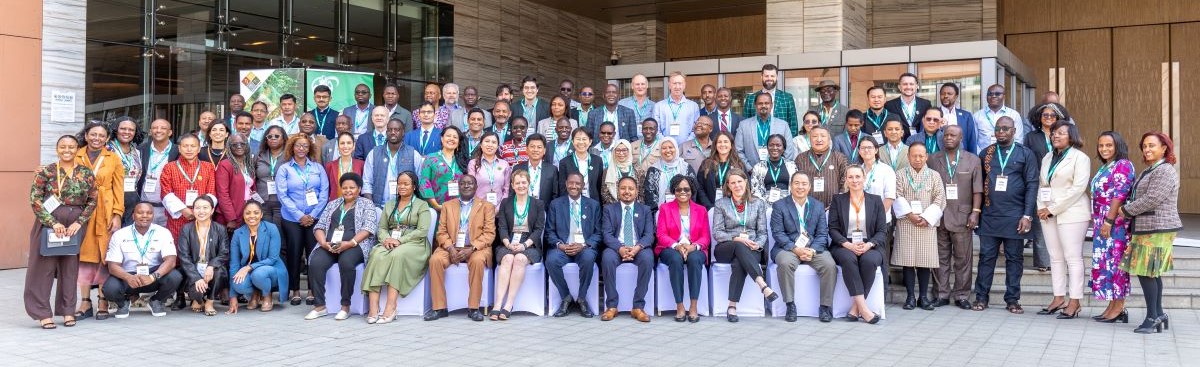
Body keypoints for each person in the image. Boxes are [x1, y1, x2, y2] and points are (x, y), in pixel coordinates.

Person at [26, 135, 96, 329]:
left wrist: (80, 222)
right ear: (57, 149)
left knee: (69, 268)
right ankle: (42, 313)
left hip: (74, 225)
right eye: (63, 147)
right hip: (49, 224)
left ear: (77, 149)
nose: (67, 150)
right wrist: (52, 223)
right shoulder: (46, 172)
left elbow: (92, 200)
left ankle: (67, 311)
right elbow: (35, 200)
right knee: (43, 268)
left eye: (72, 147)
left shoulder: (86, 172)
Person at [972, 117, 1039, 314]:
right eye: (998, 128)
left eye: (1005, 128)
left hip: (1015, 216)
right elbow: (978, 185)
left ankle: (1012, 299)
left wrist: (1027, 215)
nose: (1001, 131)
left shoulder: (1025, 154)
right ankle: (981, 297)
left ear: (1014, 131)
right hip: (990, 216)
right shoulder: (986, 153)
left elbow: (1032, 184)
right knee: (986, 258)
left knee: (1014, 259)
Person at [1118, 132, 1181, 334]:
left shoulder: (1164, 171)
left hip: (1156, 228)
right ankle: (1159, 314)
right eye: (1144, 146)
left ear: (1164, 148)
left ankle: (1152, 317)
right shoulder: (1152, 169)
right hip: (1148, 227)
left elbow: (1152, 198)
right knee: (1151, 273)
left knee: (1146, 272)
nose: (1147, 149)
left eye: (1152, 145)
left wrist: (1126, 210)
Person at [1035, 121, 1092, 319]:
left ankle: (1074, 302)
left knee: (1072, 257)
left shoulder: (1080, 158)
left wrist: (1051, 208)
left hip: (1072, 212)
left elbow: (1077, 189)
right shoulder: (1047, 157)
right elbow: (1042, 184)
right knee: (1055, 257)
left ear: (1072, 136)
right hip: (1047, 212)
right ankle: (1058, 298)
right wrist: (1041, 208)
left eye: (1061, 133)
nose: (1056, 136)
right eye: (1054, 133)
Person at [307, 172, 378, 321]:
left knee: (346, 263)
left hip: (354, 245)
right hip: (330, 245)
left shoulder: (367, 204)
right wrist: (323, 243)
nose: (348, 191)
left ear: (359, 189)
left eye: (352, 187)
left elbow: (369, 228)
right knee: (315, 262)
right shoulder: (333, 204)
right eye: (344, 188)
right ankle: (320, 306)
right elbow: (319, 227)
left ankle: (345, 306)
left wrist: (350, 243)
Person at [424, 174, 494, 322]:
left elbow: (489, 234)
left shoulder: (487, 207)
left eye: (470, 184)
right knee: (435, 260)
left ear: (476, 187)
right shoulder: (448, 206)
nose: (466, 186)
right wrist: (450, 249)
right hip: (451, 247)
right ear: (458, 186)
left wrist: (472, 248)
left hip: (476, 248)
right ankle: (439, 308)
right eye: (463, 183)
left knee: (477, 261)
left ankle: (473, 308)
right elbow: (441, 232)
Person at [927, 125, 983, 309]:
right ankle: (941, 294)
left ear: (961, 138)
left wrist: (975, 212)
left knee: (963, 259)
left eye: (953, 135)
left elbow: (977, 190)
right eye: (946, 134)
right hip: (939, 216)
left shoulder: (973, 160)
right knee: (940, 258)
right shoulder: (933, 159)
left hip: (963, 216)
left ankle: (961, 295)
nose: (948, 138)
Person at [364, 171, 431, 324]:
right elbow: (381, 228)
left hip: (414, 243)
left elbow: (422, 231)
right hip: (390, 240)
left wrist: (400, 240)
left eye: (406, 184)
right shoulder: (389, 204)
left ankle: (391, 306)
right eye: (399, 183)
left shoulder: (422, 205)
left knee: (397, 254)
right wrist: (385, 239)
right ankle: (373, 307)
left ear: (414, 186)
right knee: (376, 253)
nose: (401, 187)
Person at [771, 172, 838, 322]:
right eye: (796, 183)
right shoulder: (779, 205)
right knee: (785, 263)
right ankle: (790, 305)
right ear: (790, 186)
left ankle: (825, 307)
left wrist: (812, 250)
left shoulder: (818, 206)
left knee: (829, 265)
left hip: (813, 248)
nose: (800, 187)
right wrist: (795, 249)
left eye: (804, 184)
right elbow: (778, 233)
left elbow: (822, 233)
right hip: (787, 248)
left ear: (809, 187)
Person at [712, 170, 777, 322]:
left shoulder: (758, 203)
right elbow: (717, 232)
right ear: (728, 185)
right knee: (739, 246)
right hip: (726, 247)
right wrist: (736, 238)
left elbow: (762, 232)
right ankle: (762, 284)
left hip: (752, 247)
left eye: (739, 181)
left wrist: (757, 244)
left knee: (739, 261)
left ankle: (732, 306)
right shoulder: (721, 204)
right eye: (733, 182)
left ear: (746, 182)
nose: (737, 185)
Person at [76, 122, 126, 321]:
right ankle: (85, 301)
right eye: (93, 134)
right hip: (80, 212)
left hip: (105, 212)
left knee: (104, 256)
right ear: (86, 135)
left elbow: (118, 189)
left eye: (101, 135)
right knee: (83, 257)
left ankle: (103, 300)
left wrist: (117, 215)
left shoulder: (113, 158)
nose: (97, 138)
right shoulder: (76, 154)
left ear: (107, 139)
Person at [102, 202, 183, 318]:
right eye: (140, 213)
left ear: (153, 216)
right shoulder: (120, 235)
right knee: (110, 288)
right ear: (133, 215)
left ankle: (156, 301)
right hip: (129, 276)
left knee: (175, 276)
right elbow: (112, 266)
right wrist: (128, 277)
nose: (145, 216)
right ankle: (122, 303)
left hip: (153, 275)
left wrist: (152, 277)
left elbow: (171, 261)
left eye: (149, 213)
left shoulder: (163, 232)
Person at [892, 142, 947, 311]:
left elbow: (940, 198)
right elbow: (897, 195)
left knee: (925, 262)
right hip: (906, 223)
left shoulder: (934, 175)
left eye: (921, 156)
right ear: (908, 156)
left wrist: (926, 218)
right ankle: (910, 297)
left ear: (926, 157)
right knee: (907, 262)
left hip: (926, 224)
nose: (917, 159)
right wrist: (910, 214)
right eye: (914, 155)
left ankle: (923, 297)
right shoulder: (900, 174)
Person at [276, 134, 330, 306]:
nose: (301, 149)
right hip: (292, 218)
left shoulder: (317, 168)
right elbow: (282, 195)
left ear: (310, 148)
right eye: (298, 146)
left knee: (313, 254)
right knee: (294, 253)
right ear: (292, 147)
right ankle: (296, 290)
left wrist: (312, 215)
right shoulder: (285, 169)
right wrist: (300, 215)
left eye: (305, 146)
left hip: (315, 217)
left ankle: (313, 291)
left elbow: (324, 193)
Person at [828, 166, 886, 324]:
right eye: (851, 177)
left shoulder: (876, 200)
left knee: (870, 261)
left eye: (858, 177)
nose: (854, 180)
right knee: (848, 259)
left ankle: (855, 308)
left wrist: (869, 245)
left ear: (864, 178)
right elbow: (832, 229)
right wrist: (848, 245)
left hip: (870, 244)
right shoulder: (838, 200)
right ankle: (865, 310)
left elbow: (882, 230)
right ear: (846, 179)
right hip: (844, 244)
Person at [1090, 131, 1134, 322]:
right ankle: (1112, 305)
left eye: (1109, 145)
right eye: (1101, 145)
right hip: (1102, 223)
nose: (1104, 149)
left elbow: (1119, 195)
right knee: (1107, 265)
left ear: (1118, 146)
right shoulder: (1106, 166)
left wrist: (1108, 220)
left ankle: (1119, 307)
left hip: (1115, 225)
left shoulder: (1123, 165)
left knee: (1117, 266)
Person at [598, 176, 655, 322]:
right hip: (617, 248)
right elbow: (607, 234)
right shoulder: (609, 209)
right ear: (618, 191)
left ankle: (638, 306)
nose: (627, 191)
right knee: (607, 257)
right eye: (623, 188)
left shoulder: (645, 210)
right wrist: (620, 248)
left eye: (631, 188)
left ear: (637, 192)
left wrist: (636, 248)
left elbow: (649, 234)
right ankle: (612, 306)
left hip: (639, 248)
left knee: (648, 258)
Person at [491, 170, 545, 321]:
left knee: (520, 259)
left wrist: (524, 245)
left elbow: (539, 229)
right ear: (512, 185)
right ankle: (497, 303)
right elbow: (501, 226)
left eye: (524, 182)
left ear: (529, 184)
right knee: (508, 259)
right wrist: (507, 242)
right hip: (507, 242)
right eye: (517, 183)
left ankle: (509, 304)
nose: (521, 186)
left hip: (530, 244)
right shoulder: (506, 202)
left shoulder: (538, 204)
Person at [546, 173, 601, 318]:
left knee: (589, 258)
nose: (574, 186)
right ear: (566, 184)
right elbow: (549, 232)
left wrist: (584, 245)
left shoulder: (593, 205)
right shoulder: (556, 204)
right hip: (563, 247)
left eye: (577, 183)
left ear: (583, 186)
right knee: (551, 261)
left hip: (583, 248)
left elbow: (598, 233)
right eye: (571, 183)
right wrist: (560, 245)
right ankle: (566, 297)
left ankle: (582, 298)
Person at [655, 175, 709, 323]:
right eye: (678, 189)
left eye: (686, 189)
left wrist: (693, 247)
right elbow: (661, 234)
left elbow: (705, 237)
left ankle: (693, 306)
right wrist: (677, 246)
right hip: (671, 247)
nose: (682, 192)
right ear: (673, 191)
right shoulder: (665, 208)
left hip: (694, 247)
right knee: (675, 259)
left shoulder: (701, 210)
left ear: (692, 191)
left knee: (695, 259)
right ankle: (679, 306)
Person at [227, 201, 287, 313]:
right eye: (248, 213)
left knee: (259, 274)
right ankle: (255, 293)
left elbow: (272, 258)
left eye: (256, 213)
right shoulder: (238, 233)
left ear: (261, 215)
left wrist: (248, 267)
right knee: (237, 283)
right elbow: (234, 264)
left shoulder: (271, 228)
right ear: (243, 215)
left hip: (271, 269)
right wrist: (233, 296)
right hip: (250, 273)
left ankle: (267, 295)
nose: (252, 216)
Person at [175, 196, 228, 316]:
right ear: (193, 210)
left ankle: (209, 302)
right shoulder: (186, 229)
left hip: (211, 270)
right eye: (197, 208)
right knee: (194, 289)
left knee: (220, 271)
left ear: (212, 210)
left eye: (205, 208)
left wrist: (211, 265)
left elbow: (224, 253)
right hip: (194, 268)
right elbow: (184, 256)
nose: (201, 211)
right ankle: (197, 299)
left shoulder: (220, 229)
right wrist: (196, 277)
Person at [159, 134, 218, 241]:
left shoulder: (208, 167)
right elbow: (165, 192)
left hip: (202, 216)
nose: (189, 149)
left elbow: (211, 192)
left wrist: (201, 210)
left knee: (200, 247)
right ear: (179, 148)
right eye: (185, 146)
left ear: (199, 148)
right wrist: (183, 210)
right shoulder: (169, 167)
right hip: (178, 217)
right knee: (177, 246)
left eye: (193, 146)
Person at [363, 121, 416, 208]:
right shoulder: (374, 153)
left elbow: (420, 182)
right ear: (386, 132)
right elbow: (367, 183)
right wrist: (371, 207)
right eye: (390, 130)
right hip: (378, 207)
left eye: (397, 130)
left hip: (406, 208)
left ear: (403, 133)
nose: (393, 132)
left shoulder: (413, 153)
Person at [737, 92, 798, 168]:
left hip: (777, 173)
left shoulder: (783, 125)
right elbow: (738, 150)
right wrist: (749, 169)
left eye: (766, 103)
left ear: (771, 105)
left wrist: (778, 168)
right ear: (755, 105)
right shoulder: (743, 125)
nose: (763, 106)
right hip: (751, 172)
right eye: (760, 103)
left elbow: (789, 151)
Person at [137, 119, 177, 227]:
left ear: (170, 132)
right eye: (155, 128)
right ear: (150, 131)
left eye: (163, 128)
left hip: (168, 209)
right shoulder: (140, 150)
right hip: (145, 208)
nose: (158, 130)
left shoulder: (178, 151)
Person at [794, 127, 848, 206]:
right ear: (809, 139)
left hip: (833, 207)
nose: (819, 139)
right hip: (806, 207)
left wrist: (839, 202)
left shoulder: (839, 157)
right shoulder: (801, 158)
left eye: (823, 136)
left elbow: (845, 182)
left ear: (829, 140)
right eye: (815, 136)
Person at [419, 126, 468, 210]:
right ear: (442, 139)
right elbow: (424, 182)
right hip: (436, 208)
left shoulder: (462, 160)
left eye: (455, 137)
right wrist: (436, 205)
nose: (451, 139)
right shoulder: (431, 158)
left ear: (459, 142)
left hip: (459, 209)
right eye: (448, 136)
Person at [742, 64, 799, 135]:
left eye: (772, 76)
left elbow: (793, 125)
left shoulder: (787, 98)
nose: (769, 78)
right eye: (766, 76)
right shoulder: (751, 99)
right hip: (756, 142)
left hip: (781, 143)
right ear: (761, 77)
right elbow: (745, 124)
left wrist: (788, 144)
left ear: (777, 77)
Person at [253, 126, 288, 242]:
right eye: (270, 136)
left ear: (283, 139)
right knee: (264, 235)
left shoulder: (289, 156)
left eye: (277, 136)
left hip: (282, 202)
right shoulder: (259, 155)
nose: (273, 138)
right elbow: (252, 176)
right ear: (266, 139)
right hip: (263, 202)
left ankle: (279, 260)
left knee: (279, 236)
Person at [642, 138, 696, 211]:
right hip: (661, 211)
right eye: (664, 148)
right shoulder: (654, 169)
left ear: (676, 149)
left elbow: (693, 190)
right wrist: (657, 212)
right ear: (660, 151)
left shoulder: (685, 167)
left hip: (684, 210)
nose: (668, 150)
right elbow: (649, 194)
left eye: (671, 147)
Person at [973, 84, 1029, 153]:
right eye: (990, 94)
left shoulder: (1014, 115)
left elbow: (1018, 139)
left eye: (997, 94)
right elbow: (973, 141)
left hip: (1008, 157)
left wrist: (1010, 155)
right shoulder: (977, 116)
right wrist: (982, 155)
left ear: (1004, 96)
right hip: (984, 158)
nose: (993, 96)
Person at [696, 132, 746, 208]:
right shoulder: (706, 164)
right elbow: (699, 187)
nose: (722, 144)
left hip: (733, 209)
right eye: (719, 142)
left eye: (726, 142)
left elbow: (745, 186)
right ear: (715, 145)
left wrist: (735, 206)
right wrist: (709, 207)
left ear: (731, 145)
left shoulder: (739, 165)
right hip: (710, 208)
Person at [216, 134, 256, 231]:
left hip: (247, 213)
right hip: (231, 216)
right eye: (235, 144)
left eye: (242, 144)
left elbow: (250, 187)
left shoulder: (249, 164)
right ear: (229, 147)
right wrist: (231, 218)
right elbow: (222, 194)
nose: (239, 146)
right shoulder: (225, 165)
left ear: (247, 146)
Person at [108, 117, 142, 226]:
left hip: (132, 202)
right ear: (115, 130)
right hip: (112, 201)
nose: (127, 132)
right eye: (123, 128)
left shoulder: (136, 151)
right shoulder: (107, 149)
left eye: (131, 129)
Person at [653, 72, 700, 143]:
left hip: (687, 149)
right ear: (669, 85)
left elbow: (696, 129)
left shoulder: (693, 106)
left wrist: (685, 144)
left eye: (680, 83)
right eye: (674, 83)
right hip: (665, 149)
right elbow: (656, 130)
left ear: (684, 85)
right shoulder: (659, 106)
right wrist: (667, 144)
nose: (677, 87)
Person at [884, 72, 932, 141]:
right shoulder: (889, 105)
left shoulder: (926, 104)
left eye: (911, 84)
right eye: (905, 84)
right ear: (899, 87)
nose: (908, 87)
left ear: (916, 86)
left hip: (920, 143)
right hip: (899, 143)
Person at [558, 127, 603, 200]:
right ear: (572, 141)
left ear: (590, 141)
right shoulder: (564, 162)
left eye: (584, 139)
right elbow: (563, 188)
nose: (581, 142)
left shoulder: (597, 161)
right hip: (572, 202)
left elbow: (599, 185)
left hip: (593, 204)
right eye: (578, 139)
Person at [468, 132, 512, 208]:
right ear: (481, 145)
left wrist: (498, 209)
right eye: (487, 141)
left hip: (499, 210)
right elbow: (471, 188)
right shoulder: (473, 163)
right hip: (478, 208)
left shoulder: (504, 164)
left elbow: (506, 190)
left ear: (497, 146)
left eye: (494, 142)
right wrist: (479, 207)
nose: (490, 145)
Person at [750, 134, 796, 205]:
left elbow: (796, 186)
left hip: (788, 203)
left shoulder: (792, 166)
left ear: (783, 148)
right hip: (765, 204)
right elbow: (755, 190)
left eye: (778, 145)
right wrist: (765, 204)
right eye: (771, 145)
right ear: (767, 147)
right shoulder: (758, 167)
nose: (774, 148)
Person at [513, 134, 559, 201]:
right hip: (522, 209)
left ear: (544, 151)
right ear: (526, 149)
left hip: (544, 210)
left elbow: (555, 194)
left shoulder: (552, 170)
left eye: (539, 147)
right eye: (532, 146)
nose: (535, 150)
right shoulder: (517, 168)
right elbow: (512, 193)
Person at [937, 83, 979, 153]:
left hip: (961, 158)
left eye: (949, 94)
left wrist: (973, 160)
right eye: (942, 94)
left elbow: (971, 141)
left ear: (956, 96)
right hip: (938, 158)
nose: (945, 96)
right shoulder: (932, 115)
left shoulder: (966, 116)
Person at [326, 132, 366, 200]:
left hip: (356, 206)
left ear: (354, 146)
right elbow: (328, 190)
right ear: (338, 147)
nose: (345, 146)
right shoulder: (330, 166)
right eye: (342, 143)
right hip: (335, 206)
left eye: (349, 143)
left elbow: (363, 188)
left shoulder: (361, 165)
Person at [602, 140, 642, 206]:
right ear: (614, 152)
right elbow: (605, 193)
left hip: (634, 208)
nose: (621, 153)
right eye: (618, 150)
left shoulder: (637, 169)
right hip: (613, 209)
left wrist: (634, 207)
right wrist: (619, 207)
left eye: (624, 150)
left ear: (629, 151)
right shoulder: (607, 171)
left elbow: (641, 192)